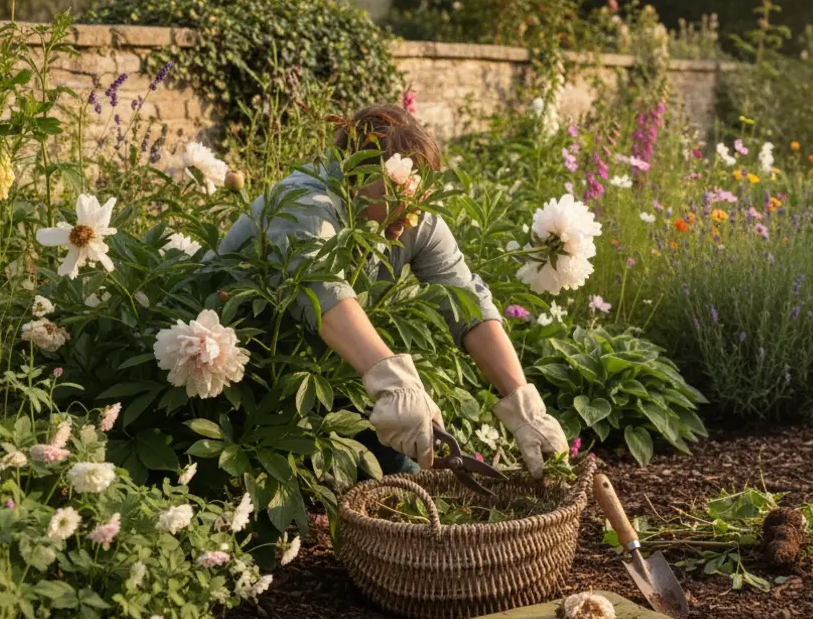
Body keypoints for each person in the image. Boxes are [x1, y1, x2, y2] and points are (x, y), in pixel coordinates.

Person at [217, 104, 568, 477]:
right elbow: (325, 292)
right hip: (232, 372)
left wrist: (525, 406)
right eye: (398, 186)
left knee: (406, 476)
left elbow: (468, 304)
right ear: (355, 172)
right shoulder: (307, 203)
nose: (411, 205)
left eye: (417, 188)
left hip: (317, 375)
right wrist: (395, 384)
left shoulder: (412, 213)